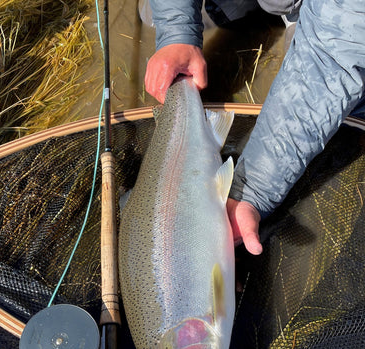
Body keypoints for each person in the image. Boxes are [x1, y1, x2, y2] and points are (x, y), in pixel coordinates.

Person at [144, 0, 365, 256]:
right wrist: (176, 32)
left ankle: (298, 17)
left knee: (342, 110)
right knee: (154, 13)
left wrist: (252, 191)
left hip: (345, 22)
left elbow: (331, 59)